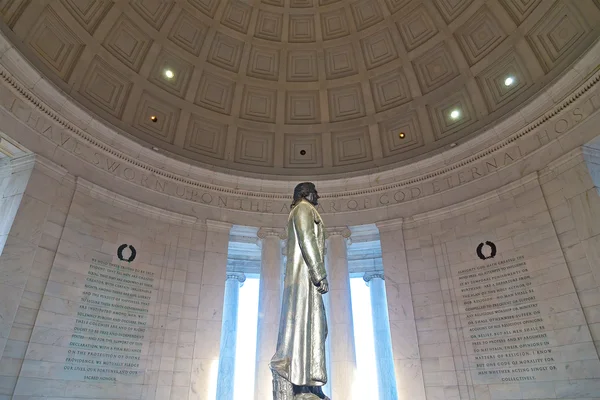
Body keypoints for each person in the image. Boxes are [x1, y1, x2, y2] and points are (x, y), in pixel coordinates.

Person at [270, 182, 330, 400]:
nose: (318, 196)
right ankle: (304, 385)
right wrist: (318, 272)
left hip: (307, 281)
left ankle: (312, 384)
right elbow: (307, 238)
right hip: (305, 279)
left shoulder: (304, 209)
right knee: (305, 328)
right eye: (315, 192)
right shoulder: (303, 209)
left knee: (318, 329)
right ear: (306, 194)